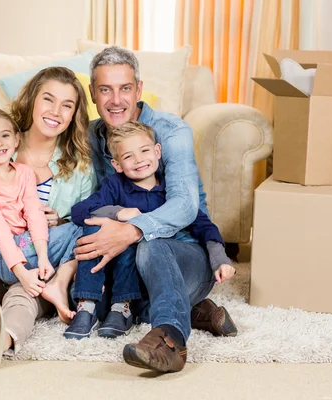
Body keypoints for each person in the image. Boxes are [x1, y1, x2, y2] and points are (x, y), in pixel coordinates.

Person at [74, 46, 237, 373]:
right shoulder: (90, 135)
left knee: (150, 246)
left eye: (125, 88)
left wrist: (132, 229)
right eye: (105, 89)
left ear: (139, 89)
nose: (116, 99)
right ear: (92, 93)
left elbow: (187, 206)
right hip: (125, 259)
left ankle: (170, 341)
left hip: (182, 251)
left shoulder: (171, 131)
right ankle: (192, 309)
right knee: (81, 269)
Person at [0, 67, 95, 369]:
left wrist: (61, 221)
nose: (55, 111)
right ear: (32, 100)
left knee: (25, 297)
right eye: (48, 99)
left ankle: (1, 342)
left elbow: (82, 224)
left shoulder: (79, 165)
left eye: (67, 105)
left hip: (37, 267)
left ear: (75, 113)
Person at [65, 121, 235, 341]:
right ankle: (89, 308)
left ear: (157, 151)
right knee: (95, 228)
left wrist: (220, 259)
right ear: (117, 164)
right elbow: (79, 211)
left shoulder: (170, 192)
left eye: (145, 151)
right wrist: (117, 212)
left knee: (146, 245)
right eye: (128, 156)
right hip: (121, 276)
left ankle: (175, 314)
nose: (139, 160)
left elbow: (203, 225)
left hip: (154, 272)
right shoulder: (114, 186)